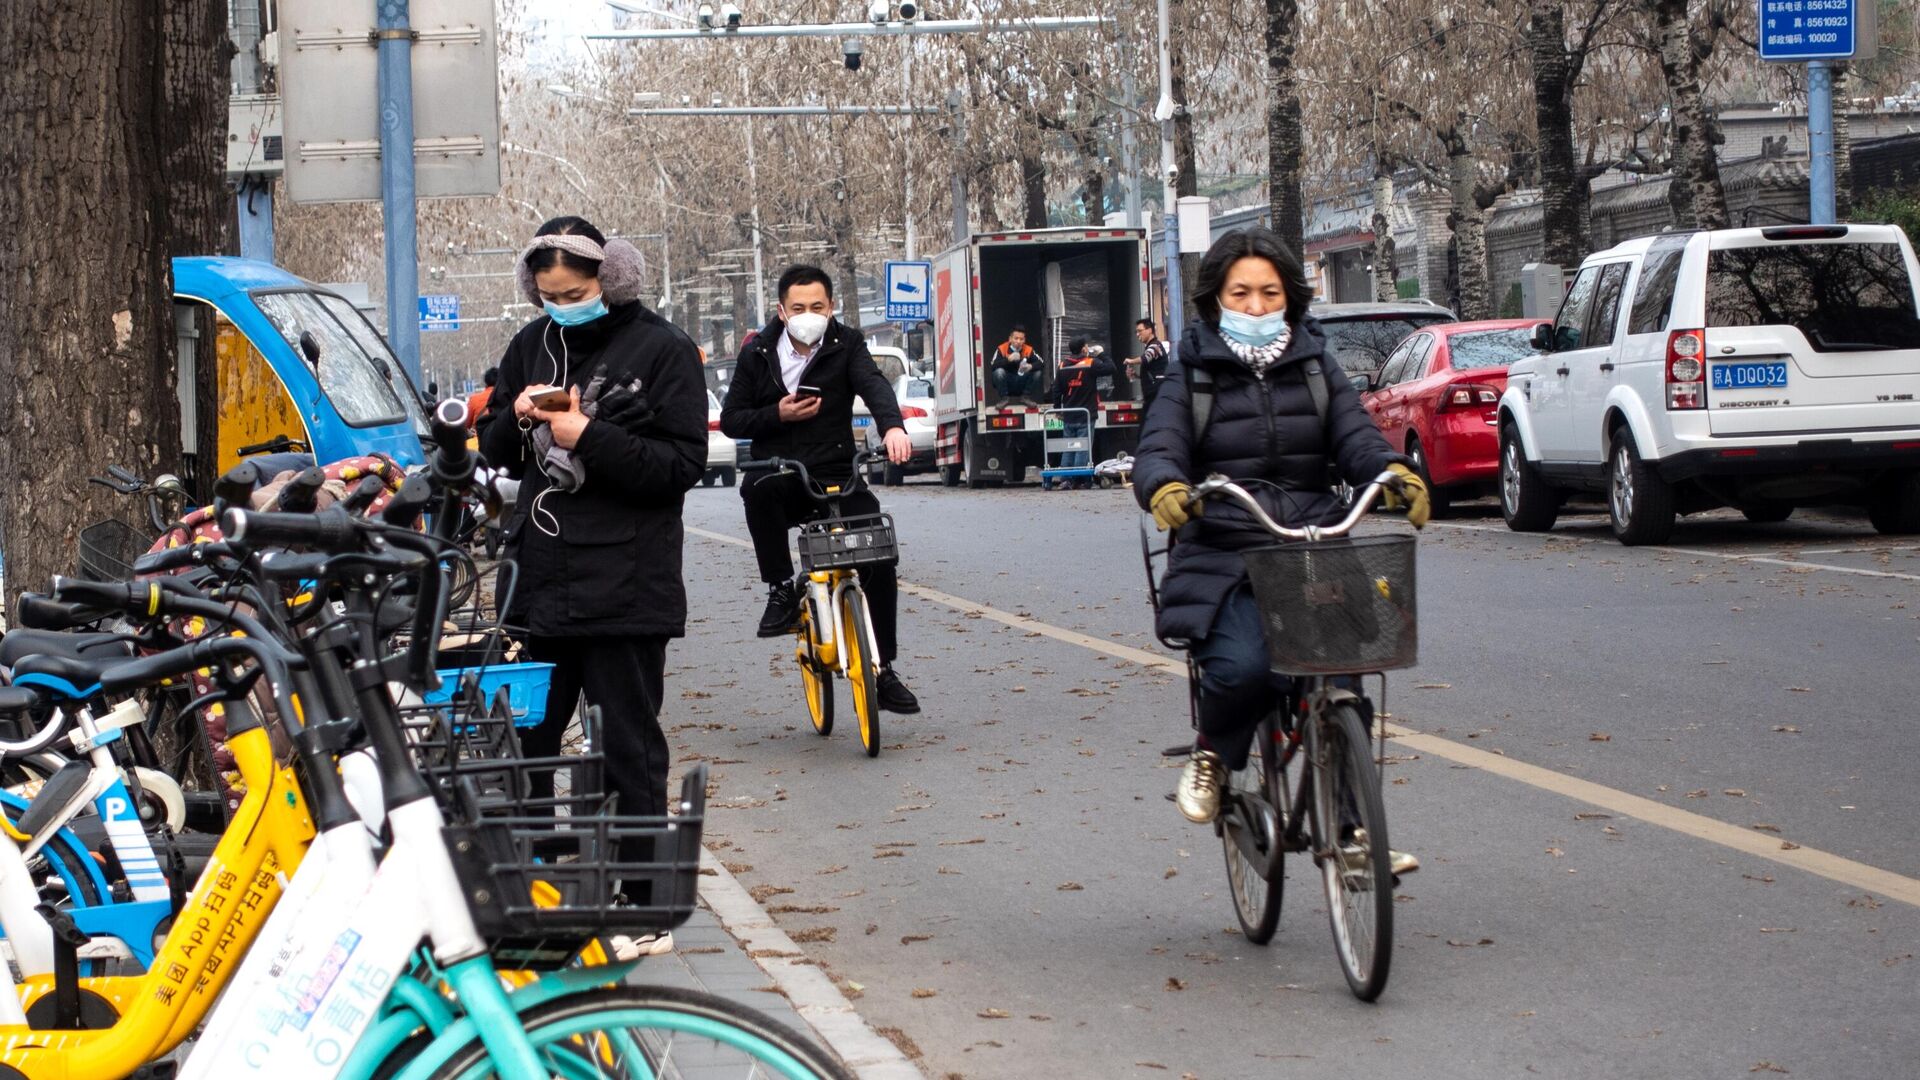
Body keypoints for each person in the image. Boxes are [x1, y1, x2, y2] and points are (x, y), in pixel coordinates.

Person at [1130, 226, 1430, 876]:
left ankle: (1352, 835)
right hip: (1226, 552)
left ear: (1290, 297)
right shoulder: (1192, 373)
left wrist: (1394, 478)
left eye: (1270, 292)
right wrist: (1166, 488)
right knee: (1244, 669)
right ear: (1217, 299)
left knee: (1345, 678)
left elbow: (1359, 440)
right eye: (1243, 292)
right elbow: (1159, 448)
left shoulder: (1318, 367)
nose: (1258, 305)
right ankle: (1213, 752)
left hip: (1314, 544)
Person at [477, 215, 707, 956]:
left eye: (573, 292)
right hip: (540, 581)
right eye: (547, 296)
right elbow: (493, 456)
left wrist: (590, 438)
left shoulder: (664, 349)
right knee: (529, 745)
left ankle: (642, 903)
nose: (561, 305)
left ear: (610, 278)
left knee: (626, 748)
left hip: (627, 585)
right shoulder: (528, 346)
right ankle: (538, 895)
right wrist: (514, 421)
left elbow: (679, 467)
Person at [720, 265, 921, 714]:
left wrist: (893, 429)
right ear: (781, 310)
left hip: (837, 465)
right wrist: (778, 415)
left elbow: (874, 386)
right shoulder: (757, 352)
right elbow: (733, 418)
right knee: (757, 490)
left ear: (831, 307)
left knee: (877, 551)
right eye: (798, 308)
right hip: (780, 467)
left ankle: (882, 668)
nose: (808, 314)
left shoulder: (847, 344)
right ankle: (779, 590)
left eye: (817, 307)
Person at [1051, 337, 1113, 414]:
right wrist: (1101, 353)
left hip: (1069, 415)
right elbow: (1111, 368)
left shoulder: (1062, 366)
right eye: (1087, 347)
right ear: (1083, 350)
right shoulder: (1091, 364)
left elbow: (1056, 390)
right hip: (1087, 415)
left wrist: (1058, 410)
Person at [989, 326, 1043, 403]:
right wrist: (1008, 360)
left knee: (1037, 372)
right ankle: (1004, 398)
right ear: (1010, 339)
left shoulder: (1028, 349)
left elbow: (1041, 363)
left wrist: (1030, 366)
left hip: (1021, 381)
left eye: (1021, 339)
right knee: (998, 372)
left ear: (1024, 340)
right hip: (1007, 382)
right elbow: (993, 365)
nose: (1018, 341)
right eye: (1016, 338)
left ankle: (1025, 397)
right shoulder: (1002, 348)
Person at [1129, 319, 1170, 408]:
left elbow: (1145, 358)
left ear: (1150, 330)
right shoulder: (1151, 346)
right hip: (1152, 395)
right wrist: (1136, 376)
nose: (1137, 334)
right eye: (1136, 332)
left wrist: (1130, 361)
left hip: (1157, 395)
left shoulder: (1155, 346)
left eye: (1140, 331)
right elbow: (1152, 374)